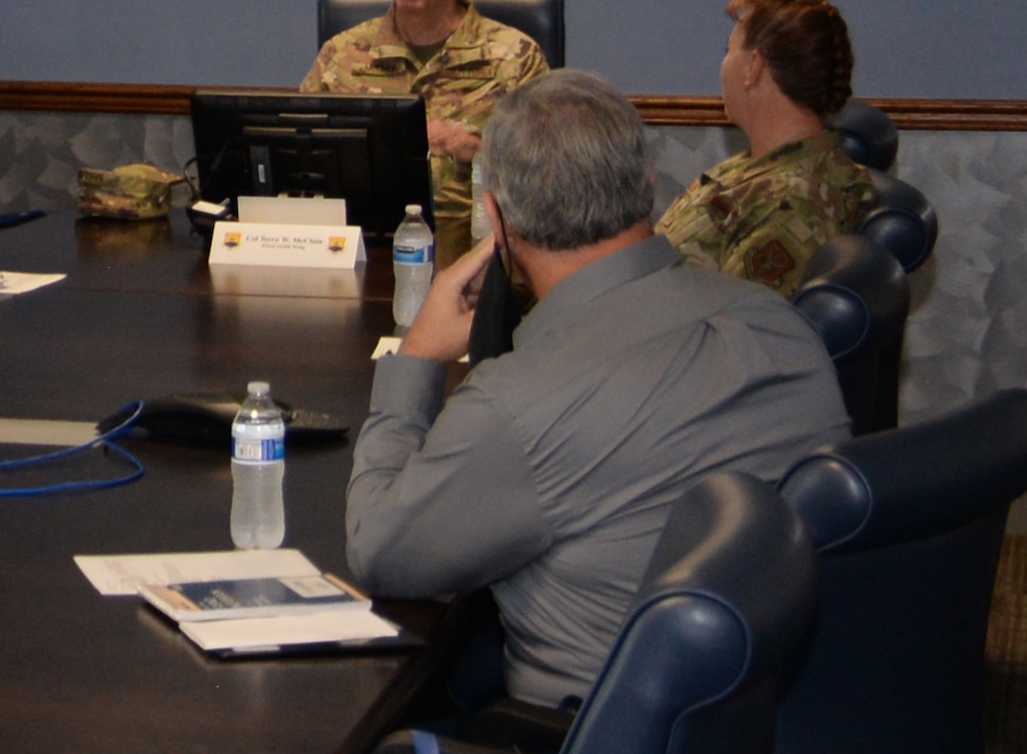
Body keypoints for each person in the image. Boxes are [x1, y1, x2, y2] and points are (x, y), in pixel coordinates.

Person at [347, 70, 847, 708]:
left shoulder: (517, 405)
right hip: (778, 725)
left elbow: (379, 552)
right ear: (648, 186)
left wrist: (417, 357)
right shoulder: (782, 324)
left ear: (495, 219)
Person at [301, 0, 548, 266]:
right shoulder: (342, 55)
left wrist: (475, 151)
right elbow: (299, 160)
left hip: (479, 259)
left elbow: (553, 180)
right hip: (361, 254)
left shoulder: (514, 57)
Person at [657, 0, 876, 297]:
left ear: (753, 68)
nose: (724, 64)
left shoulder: (789, 206)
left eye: (728, 51)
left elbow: (739, 335)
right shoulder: (761, 165)